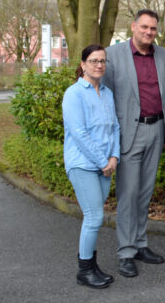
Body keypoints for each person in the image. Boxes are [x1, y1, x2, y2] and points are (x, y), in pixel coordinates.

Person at [101, 9, 165, 278]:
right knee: (128, 195)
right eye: (144, 27)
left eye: (153, 29)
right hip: (129, 133)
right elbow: (105, 98)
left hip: (156, 130)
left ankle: (141, 244)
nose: (148, 32)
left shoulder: (162, 54)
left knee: (145, 192)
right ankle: (126, 251)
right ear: (133, 27)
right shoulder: (114, 54)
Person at [62, 44, 120, 289]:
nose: (99, 65)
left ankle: (91, 264)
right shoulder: (74, 94)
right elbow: (79, 133)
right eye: (94, 61)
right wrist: (102, 161)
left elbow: (115, 126)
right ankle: (84, 270)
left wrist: (114, 157)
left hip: (106, 165)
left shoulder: (107, 93)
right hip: (83, 164)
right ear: (83, 64)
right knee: (94, 216)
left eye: (103, 61)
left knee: (94, 217)